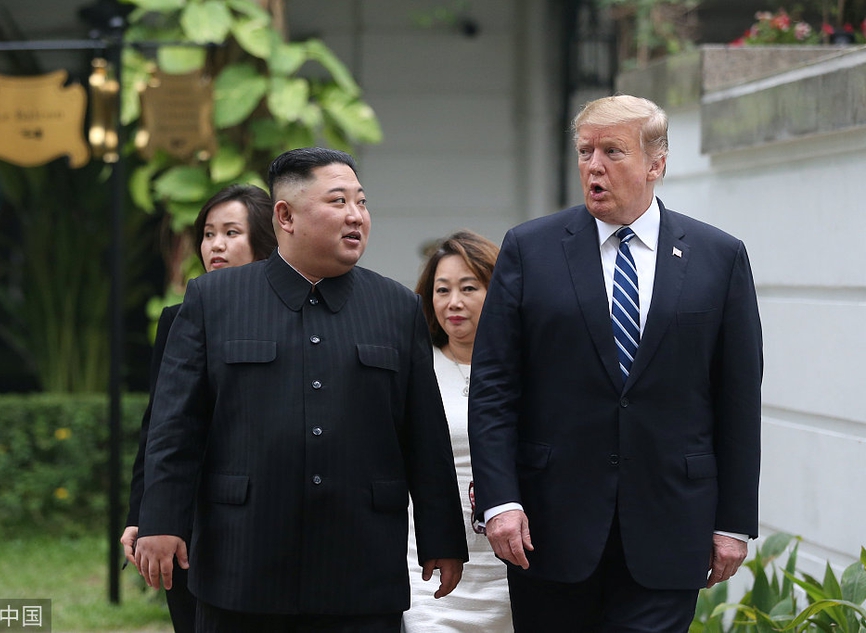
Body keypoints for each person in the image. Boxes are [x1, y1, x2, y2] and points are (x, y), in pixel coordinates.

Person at [134, 147, 468, 633]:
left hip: (361, 565)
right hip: (241, 560)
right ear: (286, 217)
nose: (356, 216)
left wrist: (443, 539)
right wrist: (161, 521)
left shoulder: (396, 307)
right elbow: (175, 426)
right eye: (338, 201)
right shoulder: (214, 300)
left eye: (361, 202)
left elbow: (425, 436)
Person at [468, 95, 763, 632]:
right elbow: (494, 386)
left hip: (671, 524)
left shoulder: (718, 256)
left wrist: (734, 522)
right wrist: (500, 500)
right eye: (585, 152)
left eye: (612, 151)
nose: (594, 166)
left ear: (656, 164)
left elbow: (738, 398)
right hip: (549, 529)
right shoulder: (529, 249)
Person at [120, 183, 277, 633]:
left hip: (266, 513)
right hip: (190, 513)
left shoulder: (294, 317)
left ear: (265, 241)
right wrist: (143, 515)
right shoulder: (179, 318)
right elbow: (160, 426)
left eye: (231, 232)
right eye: (209, 234)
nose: (216, 245)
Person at [405, 230, 512, 632]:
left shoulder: (525, 370)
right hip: (430, 566)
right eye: (442, 290)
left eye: (469, 288)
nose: (453, 302)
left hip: (509, 564)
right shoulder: (414, 367)